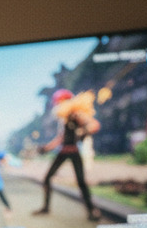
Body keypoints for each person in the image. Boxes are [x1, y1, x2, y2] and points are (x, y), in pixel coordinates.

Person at [33, 89, 102, 221]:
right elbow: (60, 138)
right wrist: (46, 148)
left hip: (74, 151)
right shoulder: (64, 119)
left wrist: (83, 131)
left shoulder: (75, 114)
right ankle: (46, 207)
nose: (57, 105)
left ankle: (91, 210)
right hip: (63, 151)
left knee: (81, 182)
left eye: (59, 102)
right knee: (47, 178)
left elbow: (94, 125)